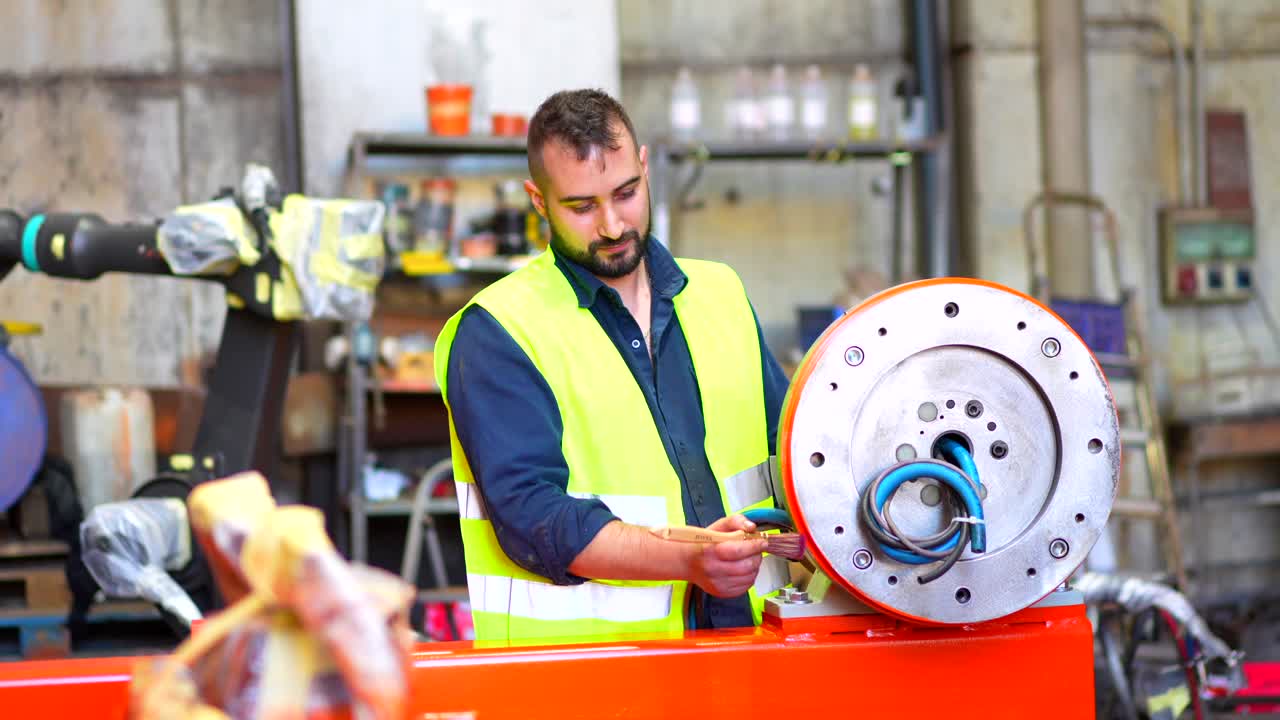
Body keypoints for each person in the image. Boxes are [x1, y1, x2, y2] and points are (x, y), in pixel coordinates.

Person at [434, 88, 792, 642]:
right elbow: (533, 518)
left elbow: (793, 451)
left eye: (626, 193)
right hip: (593, 678)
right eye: (581, 206)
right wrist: (690, 560)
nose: (611, 225)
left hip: (751, 647)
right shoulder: (498, 330)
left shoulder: (720, 292)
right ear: (538, 200)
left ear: (645, 167)